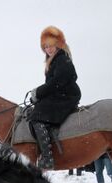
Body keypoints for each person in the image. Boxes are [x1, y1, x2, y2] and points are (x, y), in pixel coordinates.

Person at [28, 26, 81, 170]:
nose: (48, 49)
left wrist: (38, 93)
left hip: (66, 96)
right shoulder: (53, 61)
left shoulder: (62, 59)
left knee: (36, 117)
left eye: (51, 46)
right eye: (45, 47)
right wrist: (38, 95)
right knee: (37, 108)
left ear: (58, 45)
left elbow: (56, 83)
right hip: (59, 95)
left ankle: (47, 158)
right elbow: (52, 85)